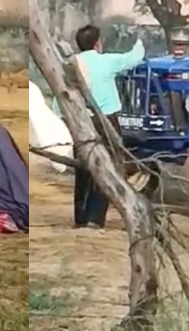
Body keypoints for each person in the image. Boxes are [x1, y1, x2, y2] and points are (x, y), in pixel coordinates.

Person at [68, 24, 145, 229]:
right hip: (107, 121)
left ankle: (80, 217)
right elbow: (134, 57)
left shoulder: (70, 64)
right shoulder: (107, 61)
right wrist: (140, 40)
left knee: (83, 169)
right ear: (97, 43)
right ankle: (95, 218)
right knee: (106, 167)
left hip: (81, 120)